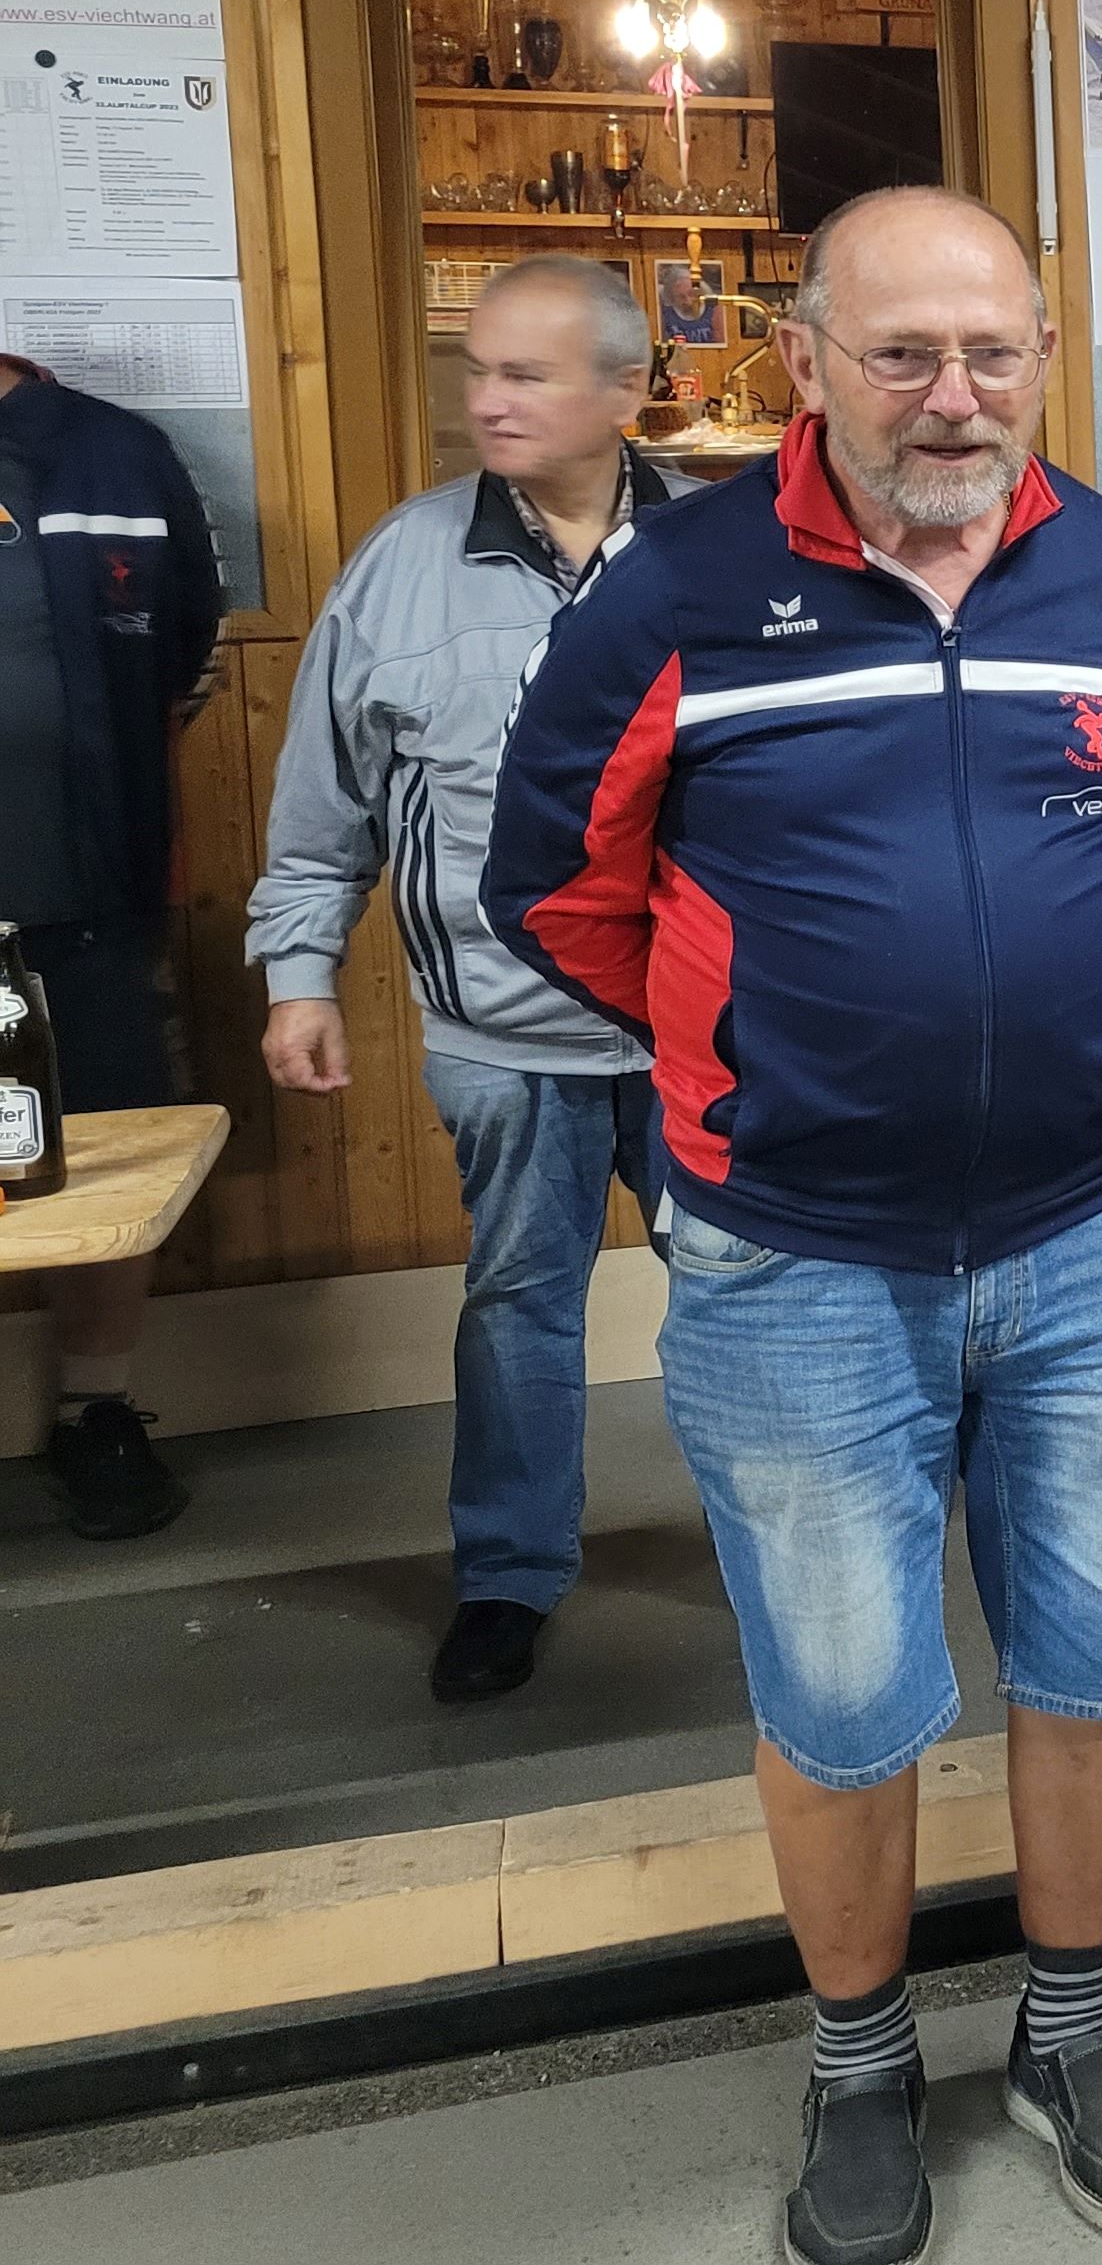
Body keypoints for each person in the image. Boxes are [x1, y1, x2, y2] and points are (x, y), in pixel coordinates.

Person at [485, 189, 1102, 2261]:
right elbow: (556, 880)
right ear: (805, 362)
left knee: (1099, 1659)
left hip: (1097, 1227)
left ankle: (1070, 2030)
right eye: (902, 354)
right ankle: (861, 2059)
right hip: (792, 1252)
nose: (952, 396)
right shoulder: (682, 591)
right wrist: (753, 1054)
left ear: (1044, 356)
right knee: (839, 1687)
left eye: (991, 351)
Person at [248, 256, 676, 1702]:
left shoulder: (725, 551)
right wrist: (299, 974)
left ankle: (786, 1542)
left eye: (525, 375)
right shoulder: (403, 564)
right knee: (518, 1305)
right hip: (502, 1033)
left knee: (752, 1299)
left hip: (703, 1031)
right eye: (477, 371)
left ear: (627, 391)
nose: (487, 401)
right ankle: (506, 1575)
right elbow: (326, 799)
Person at [0, 346, 223, 1540]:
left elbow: (185, 647)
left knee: (109, 1146)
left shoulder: (115, 452)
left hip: (87, 889)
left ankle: (97, 1408)